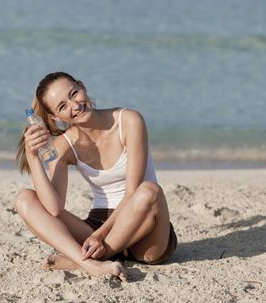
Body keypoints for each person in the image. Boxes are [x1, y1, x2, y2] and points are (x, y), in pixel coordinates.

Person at [14, 72, 177, 280]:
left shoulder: (128, 120)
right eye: (62, 106)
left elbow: (132, 192)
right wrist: (33, 156)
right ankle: (92, 264)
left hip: (144, 227)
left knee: (149, 190)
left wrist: (99, 236)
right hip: (98, 224)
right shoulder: (64, 146)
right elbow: (54, 208)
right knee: (24, 199)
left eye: (74, 93)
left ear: (82, 86)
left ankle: (82, 261)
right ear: (55, 117)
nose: (75, 106)